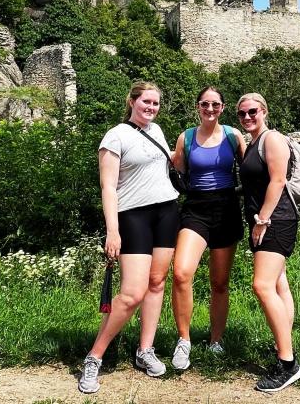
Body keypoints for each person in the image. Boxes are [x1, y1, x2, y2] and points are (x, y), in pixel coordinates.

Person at [78, 81, 180, 394]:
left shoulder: (157, 131)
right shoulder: (116, 135)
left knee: (157, 283)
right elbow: (108, 187)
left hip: (166, 211)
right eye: (146, 102)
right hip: (133, 216)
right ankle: (94, 357)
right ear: (133, 101)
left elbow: (166, 163)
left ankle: (144, 350)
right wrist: (112, 230)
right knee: (132, 293)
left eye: (156, 104)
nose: (151, 108)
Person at [170, 86, 246, 370]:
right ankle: (184, 341)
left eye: (215, 105)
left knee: (219, 283)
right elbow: (173, 171)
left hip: (226, 207)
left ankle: (215, 340)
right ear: (198, 106)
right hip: (196, 209)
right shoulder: (186, 137)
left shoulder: (232, 135)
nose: (210, 109)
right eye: (205, 104)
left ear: (223, 108)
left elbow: (250, 168)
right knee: (181, 273)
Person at [236, 93, 300, 393]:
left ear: (264, 111)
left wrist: (262, 219)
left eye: (252, 111)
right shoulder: (252, 143)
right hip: (267, 220)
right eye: (241, 114)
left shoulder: (272, 139)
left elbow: (277, 181)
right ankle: (282, 346)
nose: (247, 117)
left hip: (276, 220)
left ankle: (288, 364)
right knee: (279, 285)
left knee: (262, 286)